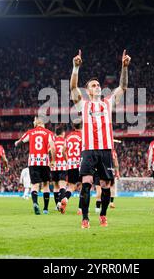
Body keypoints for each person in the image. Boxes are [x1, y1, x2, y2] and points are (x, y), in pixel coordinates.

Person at [70, 49, 130, 228]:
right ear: (88, 91)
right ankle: (85, 218)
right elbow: (73, 87)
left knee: (105, 186)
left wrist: (124, 67)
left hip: (105, 149)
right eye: (93, 85)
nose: (97, 87)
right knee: (87, 184)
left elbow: (123, 87)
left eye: (98, 85)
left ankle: (103, 215)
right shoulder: (83, 104)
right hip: (88, 149)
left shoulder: (108, 103)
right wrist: (75, 68)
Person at [15, 116, 55, 215]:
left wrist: (16, 143)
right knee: (45, 185)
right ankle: (45, 209)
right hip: (44, 162)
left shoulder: (30, 132)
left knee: (34, 185)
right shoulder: (49, 133)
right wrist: (53, 160)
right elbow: (53, 146)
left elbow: (19, 143)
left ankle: (35, 203)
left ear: (36, 123)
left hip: (33, 162)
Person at [59, 119, 82, 215]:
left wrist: (67, 160)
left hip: (71, 164)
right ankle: (80, 209)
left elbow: (63, 151)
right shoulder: (83, 136)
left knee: (71, 186)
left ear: (73, 126)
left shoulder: (68, 137)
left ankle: (65, 199)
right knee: (83, 186)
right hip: (81, 164)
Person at [51, 126, 68, 211]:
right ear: (62, 133)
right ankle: (59, 203)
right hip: (63, 166)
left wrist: (52, 161)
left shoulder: (52, 141)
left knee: (55, 187)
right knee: (62, 186)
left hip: (54, 166)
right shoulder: (65, 141)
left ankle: (56, 205)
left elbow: (50, 151)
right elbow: (65, 152)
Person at [110, 140, 121, 209]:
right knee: (112, 187)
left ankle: (100, 201)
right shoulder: (113, 152)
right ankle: (111, 202)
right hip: (111, 171)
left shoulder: (102, 150)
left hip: (102, 170)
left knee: (102, 186)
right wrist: (117, 173)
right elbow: (116, 163)